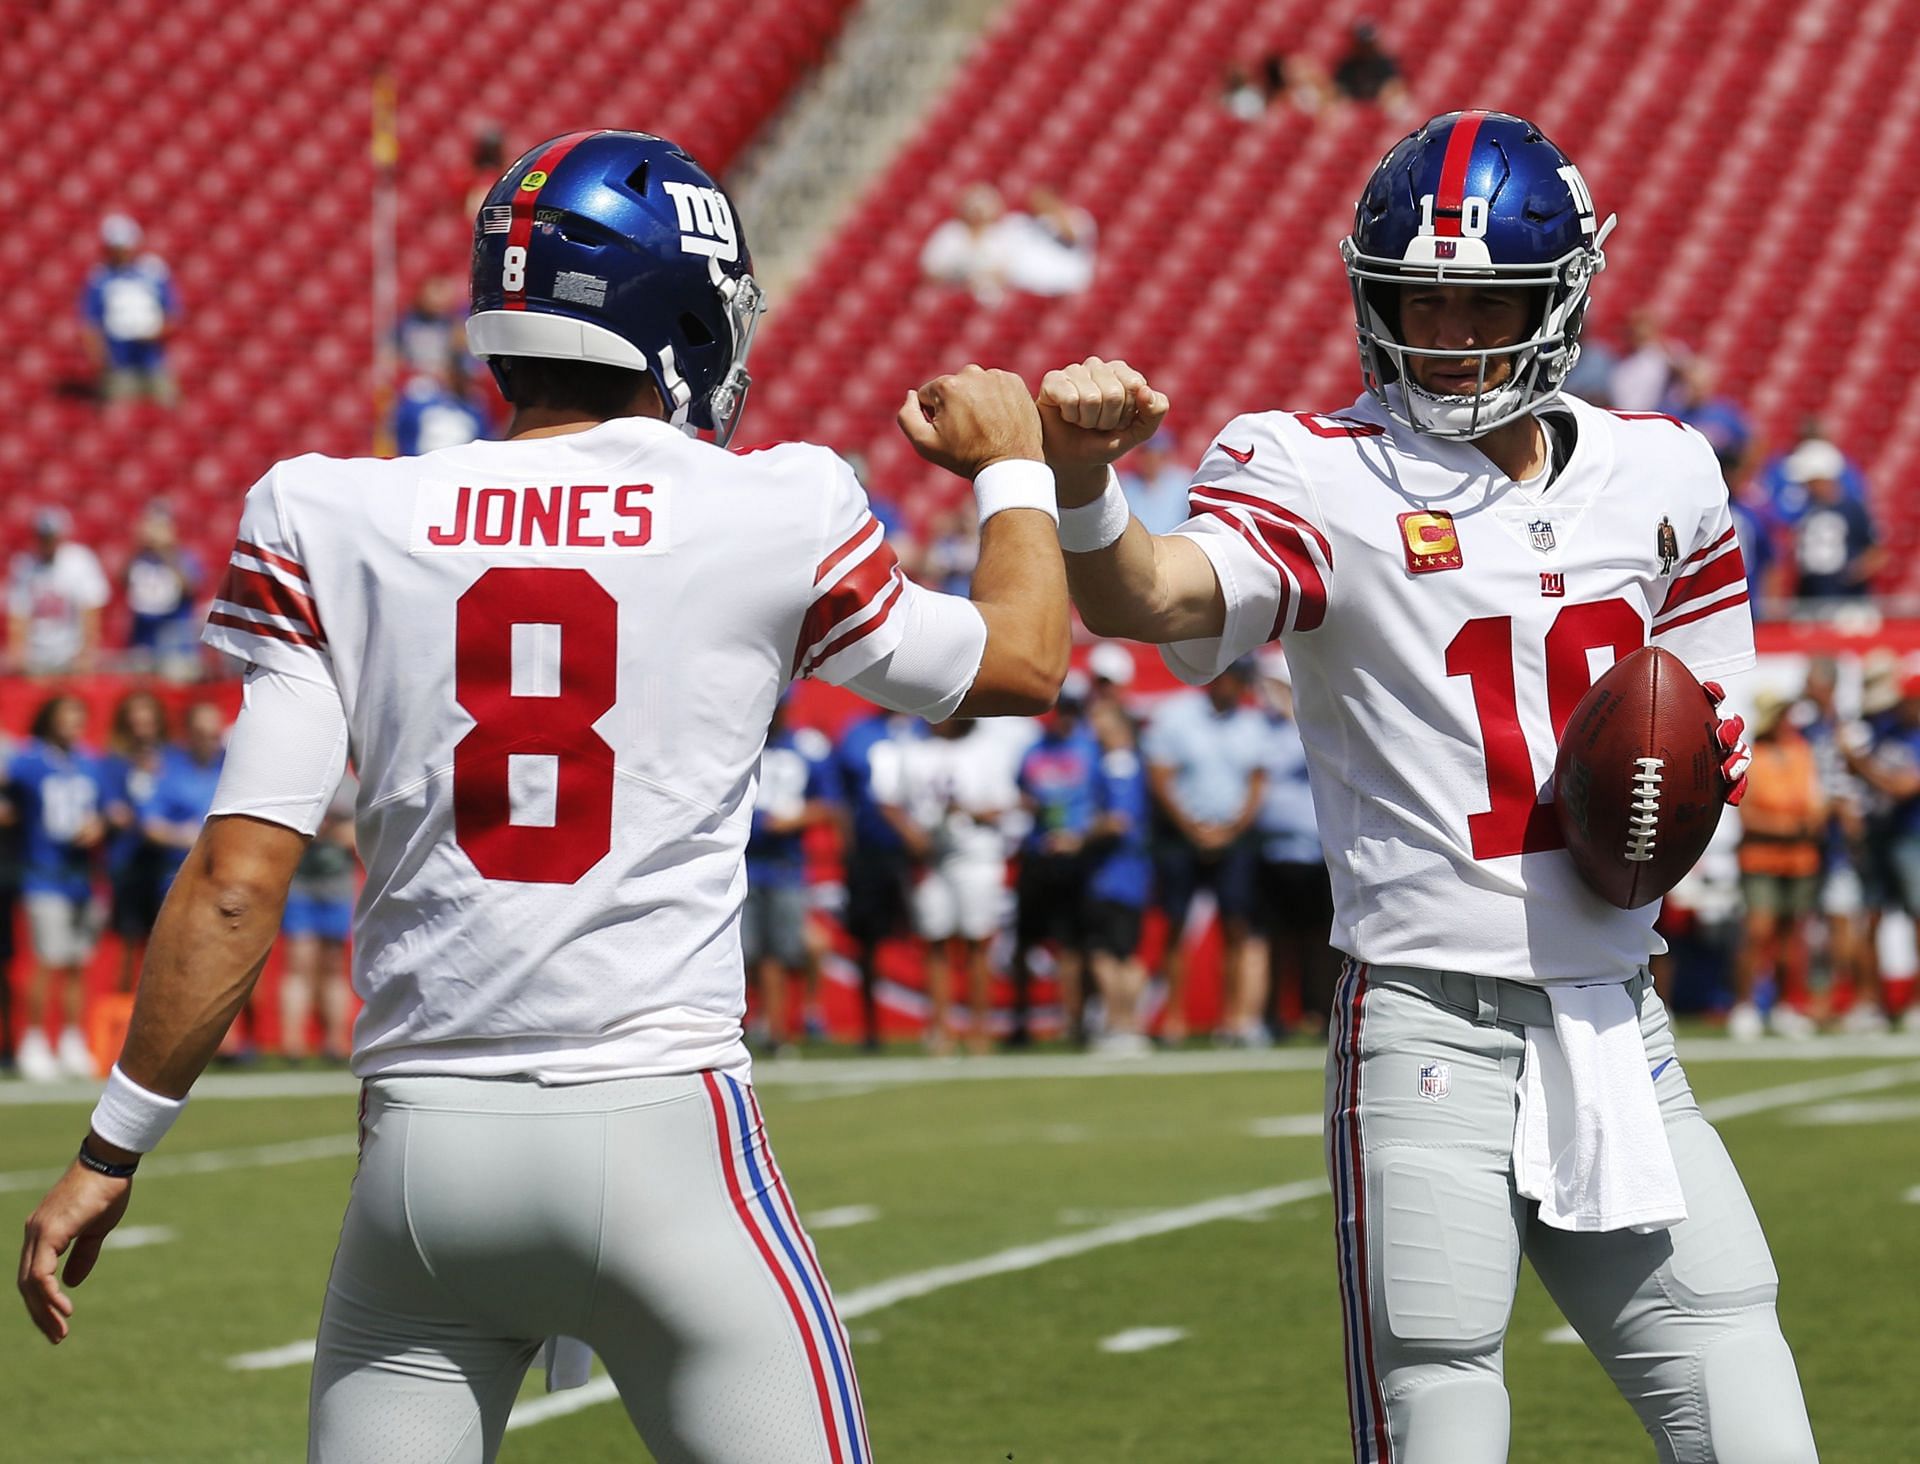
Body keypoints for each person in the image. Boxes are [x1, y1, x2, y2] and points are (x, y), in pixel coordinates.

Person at [18, 130, 1072, 1464]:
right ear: (676, 313)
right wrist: (1016, 468)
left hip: (422, 1163)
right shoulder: (774, 503)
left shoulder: (327, 513)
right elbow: (1021, 662)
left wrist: (111, 1152)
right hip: (664, 1136)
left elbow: (238, 877)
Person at [1034, 111, 1813, 1463]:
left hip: (1616, 1024)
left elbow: (1702, 719)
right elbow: (1152, 597)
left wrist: (1680, 795)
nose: (1446, 331)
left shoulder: (1665, 472)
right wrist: (1088, 486)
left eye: (1480, 301)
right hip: (1424, 1026)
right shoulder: (1314, 468)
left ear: (1560, 296)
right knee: (1439, 1408)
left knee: (1749, 1402)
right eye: (1419, 297)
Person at [1142, 660, 1269, 1045]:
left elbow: (1257, 785)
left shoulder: (1253, 725)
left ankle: (1231, 1019)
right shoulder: (1176, 716)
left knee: (1235, 927)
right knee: (1176, 925)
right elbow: (1161, 777)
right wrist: (1192, 828)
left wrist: (1229, 830)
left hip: (1233, 840)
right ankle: (1174, 1018)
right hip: (1182, 837)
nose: (1232, 687)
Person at [879, 717, 1018, 1054]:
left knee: (977, 941)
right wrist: (911, 834)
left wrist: (967, 811)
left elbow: (1004, 804)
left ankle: (979, 1028)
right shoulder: (912, 749)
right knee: (934, 940)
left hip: (976, 855)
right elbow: (890, 801)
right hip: (932, 858)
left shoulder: (987, 748)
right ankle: (940, 1028)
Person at [9, 695, 108, 1082]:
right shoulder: (29, 760)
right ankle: (33, 1040)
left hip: (82, 877)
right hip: (43, 873)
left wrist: (99, 826)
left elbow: (107, 810)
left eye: (78, 716)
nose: (73, 723)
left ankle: (71, 1038)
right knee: (46, 961)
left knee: (77, 963)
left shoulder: (90, 762)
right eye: (67, 715)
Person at [744, 700, 841, 1055]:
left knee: (780, 952)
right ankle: (757, 1025)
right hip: (742, 862)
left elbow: (829, 804)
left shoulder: (807, 748)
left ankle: (778, 1031)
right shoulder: (740, 745)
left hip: (785, 864)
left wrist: (793, 820)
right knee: (747, 952)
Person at [1726, 692, 1824, 1040]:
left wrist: (1806, 824)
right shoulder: (1755, 756)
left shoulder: (1801, 751)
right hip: (1761, 856)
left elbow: (1815, 804)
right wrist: (1789, 826)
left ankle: (1785, 1005)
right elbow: (1748, 815)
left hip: (1799, 858)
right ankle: (1745, 1004)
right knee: (1758, 931)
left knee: (1791, 936)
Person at [1010, 680, 1101, 1045]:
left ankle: (1074, 1022)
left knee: (1072, 944)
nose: (1066, 717)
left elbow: (1104, 803)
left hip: (1074, 858)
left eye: (1073, 710)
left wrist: (1080, 837)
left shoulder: (1091, 749)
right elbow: (1022, 790)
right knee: (1024, 941)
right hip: (1038, 853)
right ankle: (1022, 1022)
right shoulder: (1034, 749)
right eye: (1062, 709)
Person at [1253, 649, 1334, 1036]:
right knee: (1276, 940)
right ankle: (1274, 1017)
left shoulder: (1313, 721)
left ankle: (1319, 1012)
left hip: (1315, 852)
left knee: (1320, 941)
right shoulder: (1259, 727)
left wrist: (1291, 707)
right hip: (1271, 852)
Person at [835, 709, 927, 1049]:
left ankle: (936, 1026)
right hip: (870, 850)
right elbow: (844, 797)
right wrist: (847, 846)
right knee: (867, 941)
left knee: (928, 935)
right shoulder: (857, 732)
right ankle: (870, 1028)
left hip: (919, 851)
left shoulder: (922, 726)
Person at [1083, 695, 1153, 1053]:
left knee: (1111, 952)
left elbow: (1118, 820)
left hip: (1118, 871)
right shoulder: (1122, 762)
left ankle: (1121, 1023)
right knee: (1116, 948)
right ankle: (1124, 1025)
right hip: (1122, 871)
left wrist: (1080, 836)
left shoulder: (1119, 763)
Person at [279, 771, 358, 1063]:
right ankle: (292, 1043)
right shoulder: (301, 783)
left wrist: (337, 832)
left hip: (337, 889)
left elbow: (361, 833)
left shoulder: (351, 788)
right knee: (299, 962)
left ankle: (335, 1041)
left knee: (334, 967)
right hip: (301, 886)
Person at [98, 692, 174, 994]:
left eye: (148, 721)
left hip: (169, 866)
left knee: (168, 945)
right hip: (129, 866)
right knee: (129, 944)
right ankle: (123, 1017)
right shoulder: (114, 763)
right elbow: (113, 810)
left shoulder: (172, 760)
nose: (142, 728)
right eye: (135, 722)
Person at [79, 214, 179, 407]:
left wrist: (155, 333)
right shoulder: (99, 278)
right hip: (118, 364)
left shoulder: (154, 271)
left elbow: (173, 315)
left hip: (153, 362)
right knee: (119, 413)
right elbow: (89, 324)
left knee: (170, 405)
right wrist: (100, 360)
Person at [8, 508, 110, 677]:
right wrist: (19, 653)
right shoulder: (24, 565)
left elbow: (90, 609)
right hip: (36, 655)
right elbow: (19, 613)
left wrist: (86, 652)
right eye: (43, 537)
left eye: (51, 537)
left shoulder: (80, 560)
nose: (48, 542)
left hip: (71, 653)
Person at [1787, 445, 1881, 600]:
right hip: (1811, 595)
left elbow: (1876, 552)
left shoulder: (1852, 509)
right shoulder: (1804, 509)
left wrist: (1854, 572)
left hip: (1847, 597)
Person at [123, 503, 206, 678]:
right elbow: (122, 580)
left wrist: (165, 551)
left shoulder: (184, 557)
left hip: (177, 645)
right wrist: (137, 546)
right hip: (143, 643)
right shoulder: (139, 558)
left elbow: (190, 587)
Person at [1115, 429, 1193, 536]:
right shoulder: (1127, 486)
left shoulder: (1184, 484)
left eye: (1156, 456)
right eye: (1145, 455)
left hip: (1173, 545)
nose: (1150, 461)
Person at [1330, 21, 1410, 112]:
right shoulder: (1348, 65)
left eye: (1368, 44)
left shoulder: (1385, 62)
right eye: (1362, 44)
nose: (1366, 48)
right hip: (1354, 109)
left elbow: (1396, 85)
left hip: (1381, 107)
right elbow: (1338, 88)